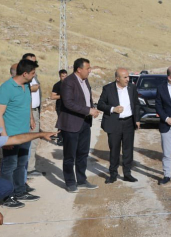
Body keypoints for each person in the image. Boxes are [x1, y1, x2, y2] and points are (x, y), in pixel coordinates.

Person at [0, 58, 38, 208]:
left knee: (22, 163)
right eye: (33, 73)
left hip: (24, 133)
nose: (34, 76)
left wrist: (31, 118)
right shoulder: (6, 88)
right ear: (25, 73)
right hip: (12, 135)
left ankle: (20, 191)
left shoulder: (26, 85)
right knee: (9, 165)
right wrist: (4, 138)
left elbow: (27, 105)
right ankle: (7, 196)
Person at [56, 58, 101, 193]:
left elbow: (87, 98)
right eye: (88, 68)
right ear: (79, 69)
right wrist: (88, 110)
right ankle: (70, 182)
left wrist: (92, 108)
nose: (90, 70)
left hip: (85, 123)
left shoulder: (85, 81)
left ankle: (81, 180)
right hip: (71, 124)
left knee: (82, 153)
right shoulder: (68, 82)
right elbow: (68, 103)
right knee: (70, 155)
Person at [97, 68, 141, 183]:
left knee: (128, 150)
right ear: (117, 78)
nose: (128, 79)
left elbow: (136, 104)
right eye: (125, 77)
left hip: (128, 123)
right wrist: (113, 109)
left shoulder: (132, 88)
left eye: (128, 76)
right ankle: (113, 174)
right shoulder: (108, 89)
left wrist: (137, 119)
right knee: (114, 150)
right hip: (114, 123)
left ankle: (127, 173)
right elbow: (100, 105)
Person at [22, 53, 44, 178]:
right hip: (28, 112)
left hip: (35, 111)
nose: (34, 64)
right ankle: (26, 170)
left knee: (34, 141)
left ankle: (30, 168)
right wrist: (31, 89)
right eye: (31, 62)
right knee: (27, 140)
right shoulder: (22, 76)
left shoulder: (34, 75)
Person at [51, 69, 68, 146]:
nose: (64, 77)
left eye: (65, 76)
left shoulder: (70, 84)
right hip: (60, 107)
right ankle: (60, 139)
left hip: (69, 107)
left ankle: (67, 139)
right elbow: (52, 96)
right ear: (59, 77)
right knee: (61, 123)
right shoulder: (57, 85)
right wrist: (62, 96)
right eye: (62, 76)